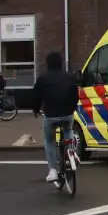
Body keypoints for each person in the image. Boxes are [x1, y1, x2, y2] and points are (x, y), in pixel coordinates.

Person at [32, 52, 79, 183]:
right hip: (67, 114)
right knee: (69, 130)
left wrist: (35, 109)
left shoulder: (43, 78)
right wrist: (72, 108)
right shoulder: (70, 77)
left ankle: (52, 170)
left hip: (51, 115)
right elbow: (75, 95)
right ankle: (71, 153)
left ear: (47, 64)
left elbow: (36, 97)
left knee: (49, 140)